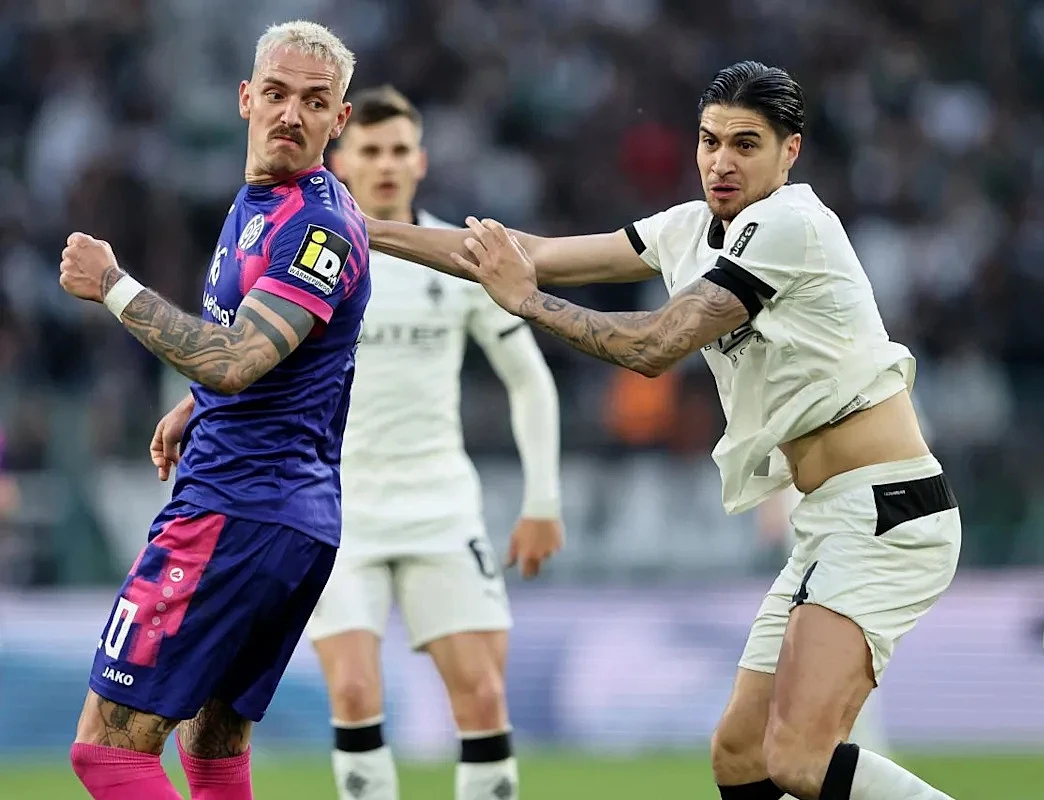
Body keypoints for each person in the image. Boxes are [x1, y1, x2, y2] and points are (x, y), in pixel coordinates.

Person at [365, 61, 963, 800]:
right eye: (710, 141)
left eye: (746, 144)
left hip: (885, 510)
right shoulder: (688, 229)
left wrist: (529, 304)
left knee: (800, 759)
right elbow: (529, 256)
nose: (721, 161)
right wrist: (364, 230)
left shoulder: (792, 225)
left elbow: (652, 346)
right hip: (830, 516)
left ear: (790, 152)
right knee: (740, 756)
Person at [57, 20, 369, 800]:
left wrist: (113, 286)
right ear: (244, 99)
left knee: (108, 753)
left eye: (314, 102)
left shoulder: (318, 225)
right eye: (276, 94)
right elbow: (276, 355)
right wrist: (195, 404)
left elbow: (235, 361)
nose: (291, 114)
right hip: (283, 520)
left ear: (340, 118)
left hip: (236, 511)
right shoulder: (264, 203)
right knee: (212, 749)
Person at [305, 85, 564, 800]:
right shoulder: (311, 260)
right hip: (339, 509)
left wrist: (543, 500)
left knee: (481, 697)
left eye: (399, 150)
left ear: (420, 161)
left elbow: (529, 379)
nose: (386, 164)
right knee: (353, 693)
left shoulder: (463, 257)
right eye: (370, 150)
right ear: (341, 162)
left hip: (440, 505)